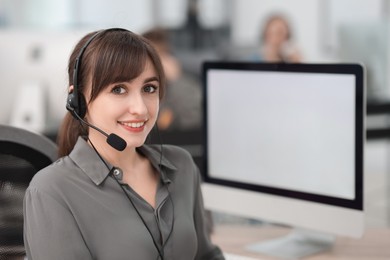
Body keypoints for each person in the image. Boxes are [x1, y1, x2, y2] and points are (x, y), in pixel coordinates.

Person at [23, 28, 225, 260]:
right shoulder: (52, 190)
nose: (140, 108)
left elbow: (206, 256)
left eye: (149, 88)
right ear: (78, 101)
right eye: (118, 89)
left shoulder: (181, 166)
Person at [142, 27, 202, 132]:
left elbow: (195, 120)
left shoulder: (185, 85)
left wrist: (176, 79)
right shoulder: (140, 88)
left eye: (160, 56)